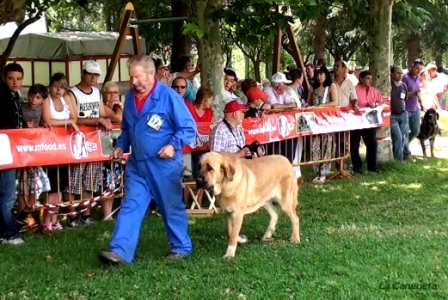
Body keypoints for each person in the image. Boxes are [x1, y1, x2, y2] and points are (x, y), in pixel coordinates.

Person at [99, 54, 197, 265]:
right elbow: (126, 130)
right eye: (132, 77)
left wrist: (173, 145)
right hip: (137, 164)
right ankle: (120, 252)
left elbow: (189, 127)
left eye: (138, 77)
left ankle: (181, 247)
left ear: (151, 75)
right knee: (130, 205)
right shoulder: (130, 99)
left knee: (170, 205)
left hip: (164, 166)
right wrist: (120, 146)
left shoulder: (169, 97)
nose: (133, 82)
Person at [65, 60, 113, 227]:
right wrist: (98, 119)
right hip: (77, 142)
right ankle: (71, 216)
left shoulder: (97, 92)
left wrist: (107, 117)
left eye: (97, 75)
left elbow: (101, 112)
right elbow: (74, 117)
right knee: (73, 181)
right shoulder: (72, 93)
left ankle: (86, 214)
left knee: (90, 179)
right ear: (83, 73)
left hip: (94, 141)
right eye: (91, 74)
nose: (94, 77)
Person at [41, 73, 79, 233]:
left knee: (60, 185)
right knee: (51, 186)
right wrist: (67, 122)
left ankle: (55, 219)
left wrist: (68, 122)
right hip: (49, 148)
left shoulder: (67, 99)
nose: (59, 90)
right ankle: (45, 221)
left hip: (64, 148)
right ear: (51, 86)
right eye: (56, 86)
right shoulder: (45, 101)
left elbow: (75, 117)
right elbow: (48, 121)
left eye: (62, 87)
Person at [0, 63, 26, 245]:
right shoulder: (2, 97)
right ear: (4, 78)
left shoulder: (16, 97)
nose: (15, 82)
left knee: (6, 194)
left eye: (18, 79)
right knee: (7, 196)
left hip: (10, 149)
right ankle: (11, 234)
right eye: (11, 78)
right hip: (4, 150)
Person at [308, 66, 338, 184]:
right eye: (317, 74)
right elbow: (309, 102)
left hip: (326, 121)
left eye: (322, 73)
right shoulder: (312, 88)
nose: (319, 76)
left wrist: (322, 106)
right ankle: (317, 171)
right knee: (315, 146)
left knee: (327, 145)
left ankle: (325, 171)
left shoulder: (331, 86)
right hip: (314, 121)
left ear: (326, 74)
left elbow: (335, 102)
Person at [352, 71, 382, 173]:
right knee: (354, 145)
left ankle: (372, 167)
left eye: (371, 78)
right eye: (368, 78)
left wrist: (375, 104)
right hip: (356, 121)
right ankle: (357, 168)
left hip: (369, 121)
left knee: (372, 143)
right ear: (361, 79)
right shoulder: (354, 90)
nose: (370, 81)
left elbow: (381, 102)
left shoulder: (374, 90)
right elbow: (349, 103)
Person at [402, 59, 424, 159]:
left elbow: (418, 92)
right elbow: (402, 95)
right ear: (412, 66)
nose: (418, 71)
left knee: (416, 131)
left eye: (420, 69)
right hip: (405, 108)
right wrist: (414, 93)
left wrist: (421, 102)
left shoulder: (419, 78)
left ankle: (402, 146)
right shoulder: (405, 78)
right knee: (405, 132)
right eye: (417, 68)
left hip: (415, 109)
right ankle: (406, 153)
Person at [390, 66, 409, 161]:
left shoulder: (404, 85)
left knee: (402, 137)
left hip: (403, 114)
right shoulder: (389, 85)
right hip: (392, 115)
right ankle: (399, 160)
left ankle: (399, 157)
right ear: (392, 73)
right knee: (398, 136)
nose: (400, 75)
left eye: (401, 73)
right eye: (397, 73)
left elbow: (405, 99)